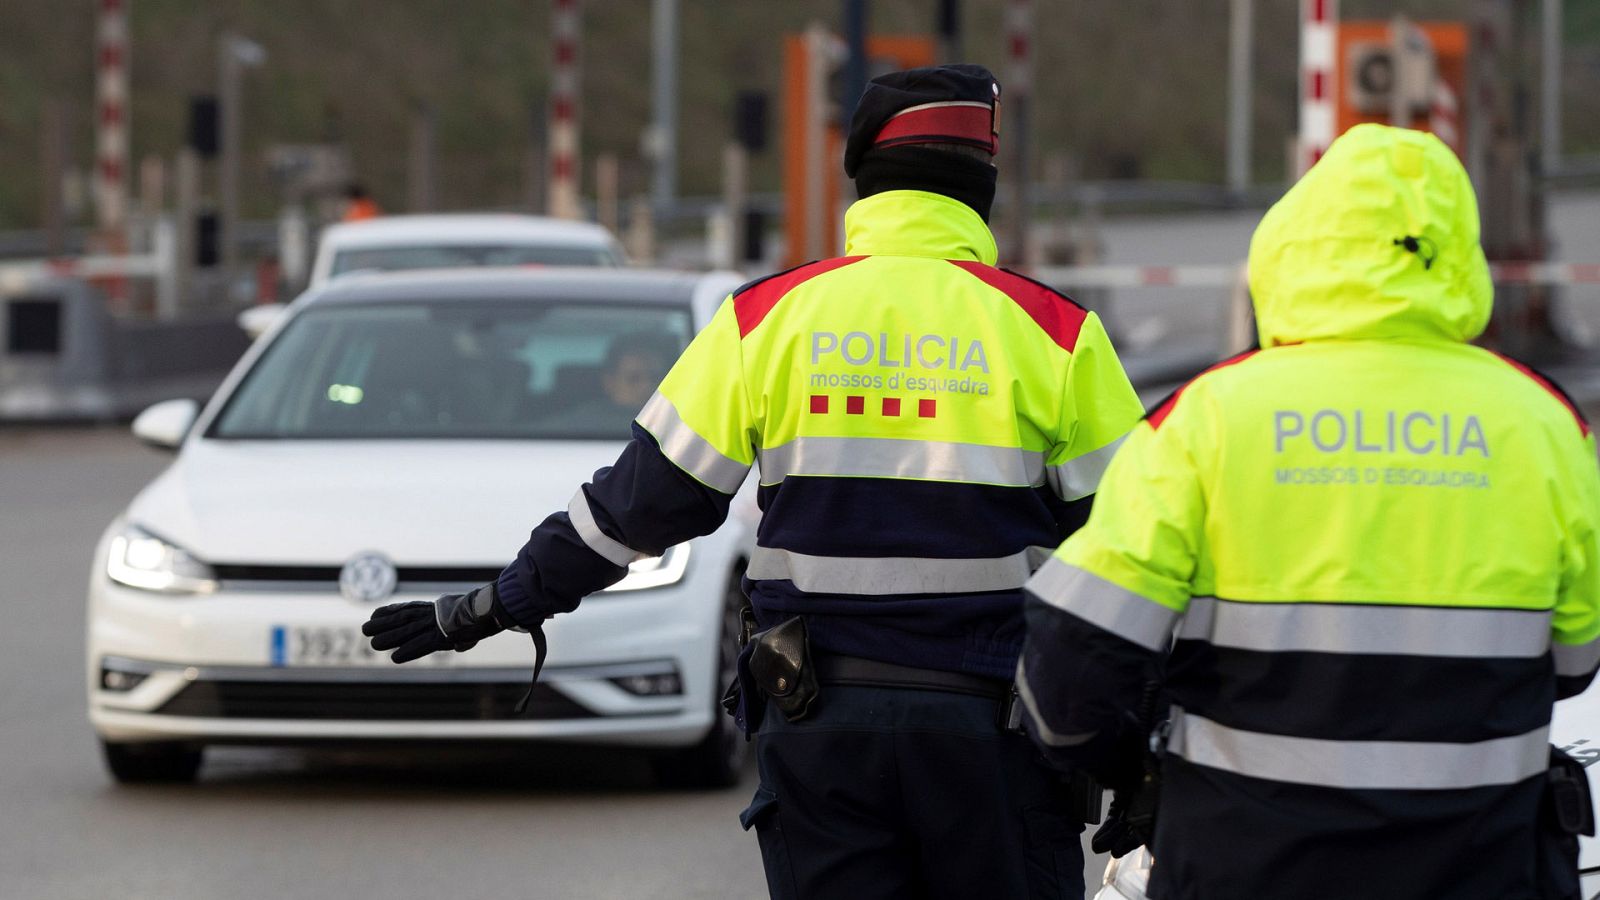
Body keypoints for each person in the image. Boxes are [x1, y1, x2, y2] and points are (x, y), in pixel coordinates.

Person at [363, 64, 1143, 899]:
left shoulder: (765, 320)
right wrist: (1140, 763)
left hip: (818, 725)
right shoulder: (1058, 335)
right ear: (981, 184)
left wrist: (498, 604)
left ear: (865, 176)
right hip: (995, 738)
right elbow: (1136, 565)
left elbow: (634, 508)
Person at [1015, 123, 1600, 900]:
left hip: (1244, 864)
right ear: (1459, 255)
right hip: (1478, 866)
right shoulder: (1545, 426)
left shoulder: (1208, 419)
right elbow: (1572, 665)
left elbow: (1069, 677)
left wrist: (1141, 771)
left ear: (1292, 244)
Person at [537, 332, 678, 437]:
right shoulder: (572, 428)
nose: (646, 386)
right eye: (633, 378)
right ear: (609, 382)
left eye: (655, 377)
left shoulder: (679, 428)